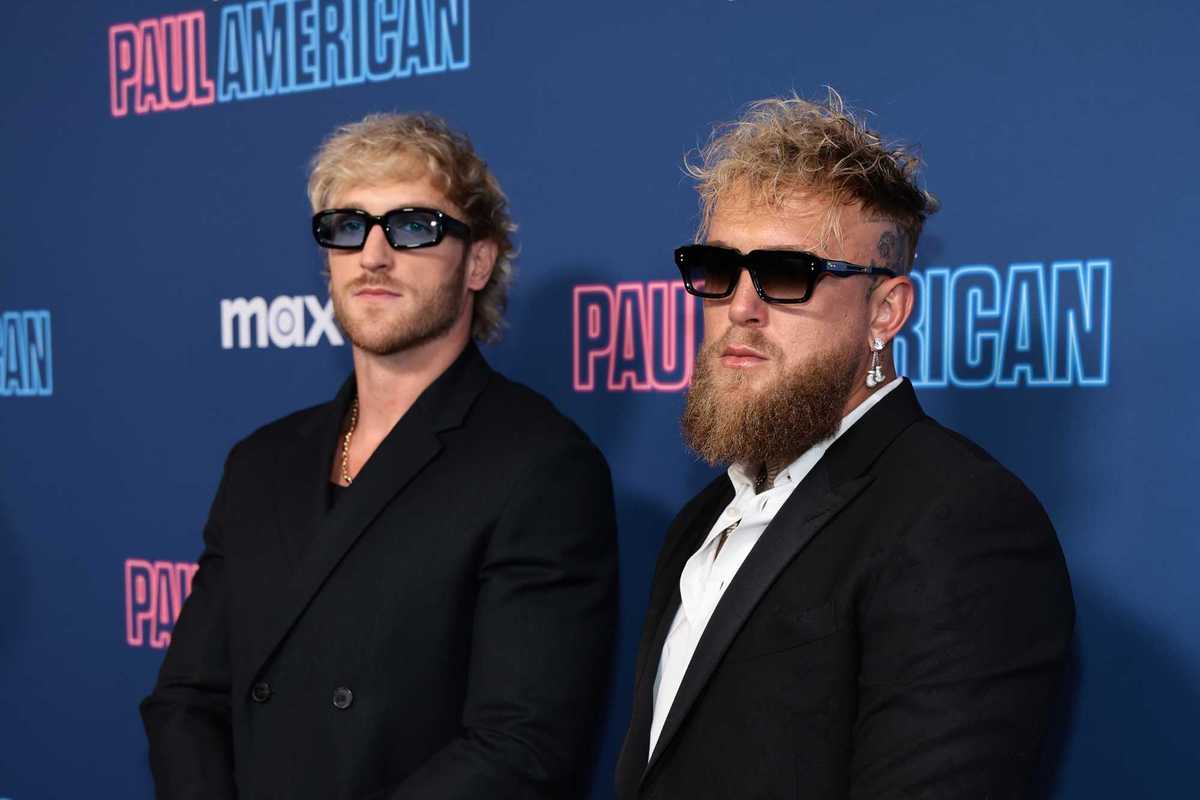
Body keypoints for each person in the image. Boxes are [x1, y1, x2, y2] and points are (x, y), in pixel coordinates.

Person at [141, 112, 618, 800]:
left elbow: (519, 749)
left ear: (478, 260)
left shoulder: (542, 466)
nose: (372, 255)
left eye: (413, 227)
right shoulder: (259, 462)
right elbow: (186, 700)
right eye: (346, 227)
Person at [615, 92, 1074, 799]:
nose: (740, 306)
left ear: (885, 311)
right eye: (717, 267)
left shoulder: (961, 523)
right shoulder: (700, 520)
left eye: (786, 273)